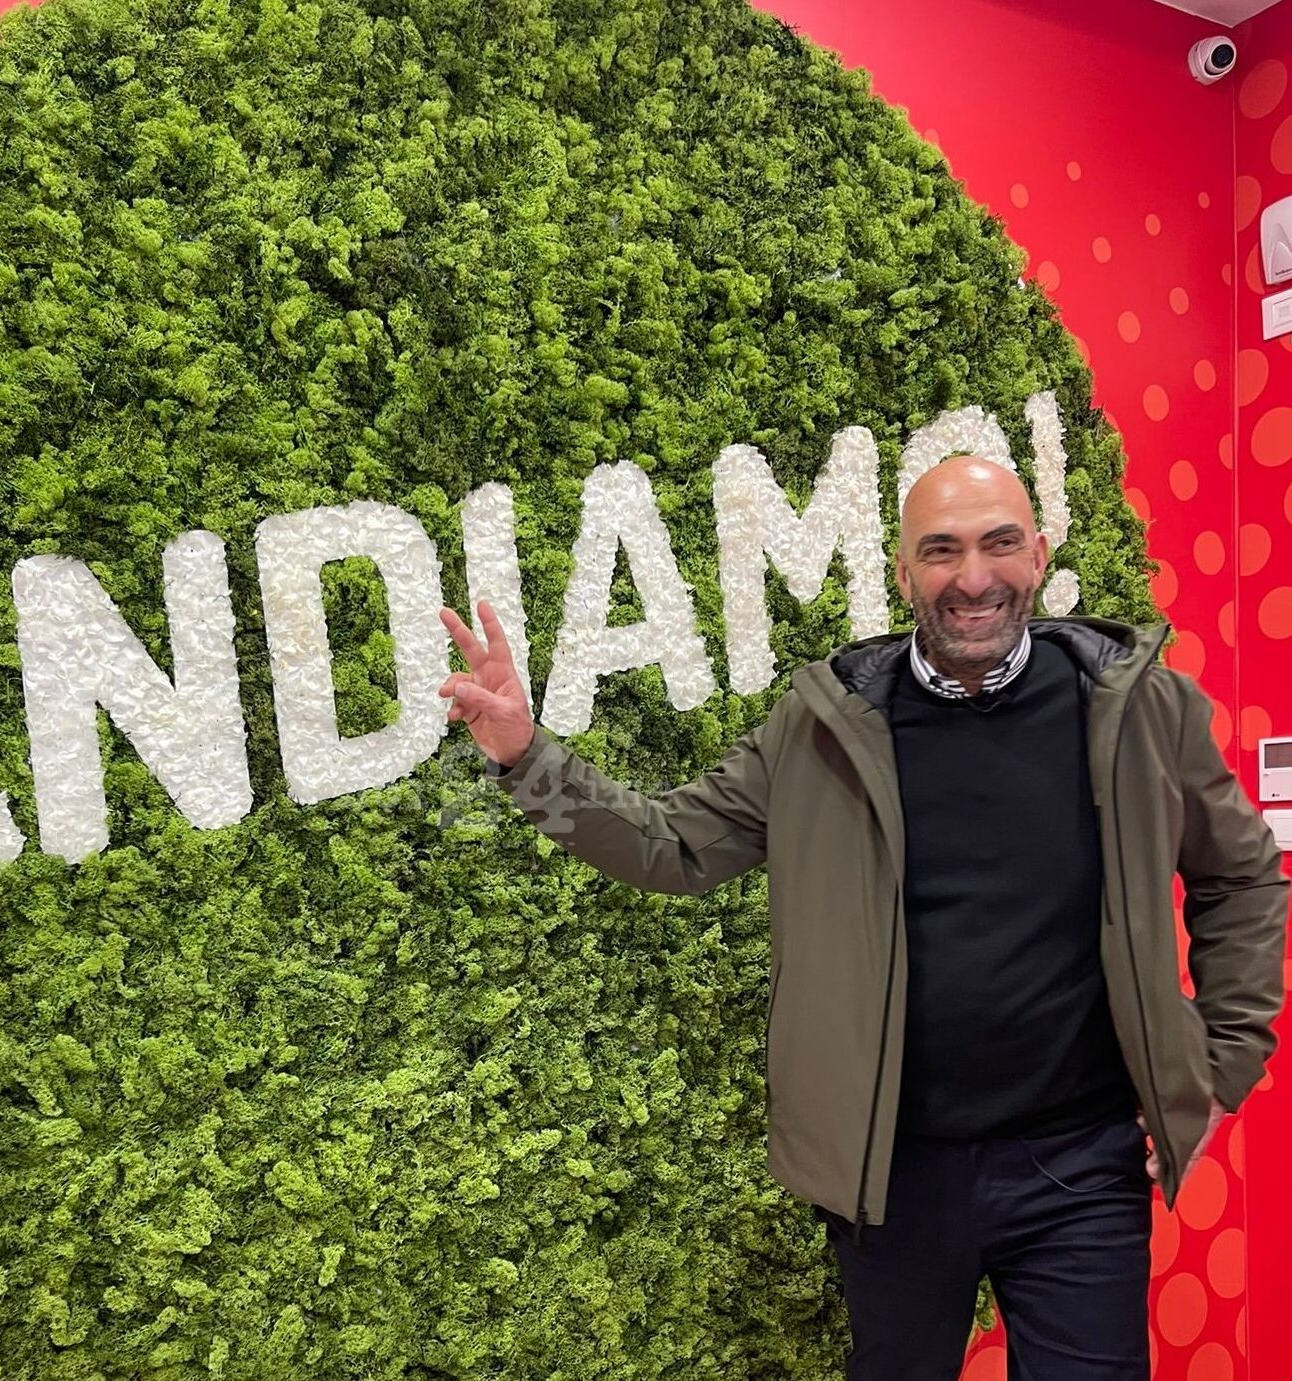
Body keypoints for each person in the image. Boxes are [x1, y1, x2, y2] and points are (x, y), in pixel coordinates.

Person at [437, 456, 1288, 1381]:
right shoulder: (824, 724)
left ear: (1040, 555)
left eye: (1000, 543)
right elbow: (671, 845)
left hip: (1080, 1164)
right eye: (942, 550)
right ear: (902, 571)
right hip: (891, 1173)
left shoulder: (1139, 707)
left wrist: (1222, 1065)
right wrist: (526, 759)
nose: (974, 576)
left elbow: (1241, 876)